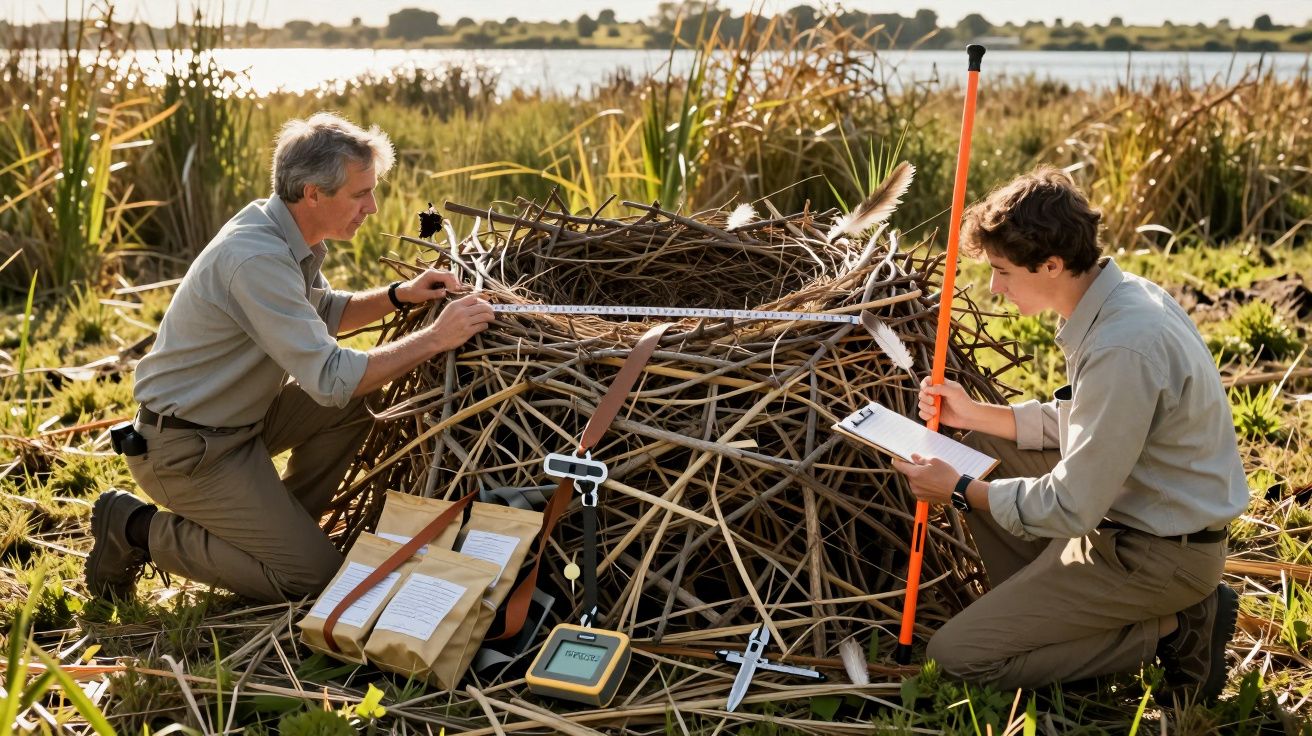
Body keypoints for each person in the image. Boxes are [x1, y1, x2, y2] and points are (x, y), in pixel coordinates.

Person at [86, 112, 495, 603]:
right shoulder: (256, 257)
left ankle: (280, 535)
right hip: (188, 451)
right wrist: (435, 338)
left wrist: (398, 295)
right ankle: (133, 527)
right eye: (360, 193)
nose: (373, 206)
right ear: (313, 193)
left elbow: (321, 311)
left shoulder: (281, 231)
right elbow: (328, 378)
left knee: (358, 403)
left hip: (240, 425)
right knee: (311, 581)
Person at [891, 165, 1247, 701]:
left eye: (1004, 271)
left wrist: (959, 491)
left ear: (1051, 264)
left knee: (956, 659)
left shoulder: (1121, 345)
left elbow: (1073, 504)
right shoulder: (1120, 300)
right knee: (983, 448)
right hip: (1133, 523)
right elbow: (1092, 422)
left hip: (1157, 556)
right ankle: (1053, 616)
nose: (994, 287)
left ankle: (1171, 629)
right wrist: (976, 416)